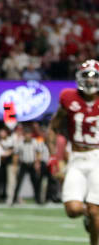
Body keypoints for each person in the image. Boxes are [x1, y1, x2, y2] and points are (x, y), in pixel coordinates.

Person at [49, 60, 99, 244]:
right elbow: (53, 127)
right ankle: (87, 215)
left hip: (97, 157)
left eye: (94, 77)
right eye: (86, 76)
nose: (90, 82)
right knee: (72, 210)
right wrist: (54, 155)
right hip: (76, 158)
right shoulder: (68, 97)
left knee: (96, 211)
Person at [12, 126, 42, 205]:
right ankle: (14, 199)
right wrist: (15, 166)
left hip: (32, 163)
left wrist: (37, 163)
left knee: (35, 182)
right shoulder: (20, 143)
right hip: (23, 163)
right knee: (19, 182)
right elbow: (16, 155)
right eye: (26, 134)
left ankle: (38, 200)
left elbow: (38, 153)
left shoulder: (35, 142)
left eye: (29, 134)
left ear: (31, 135)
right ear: (24, 135)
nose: (28, 136)